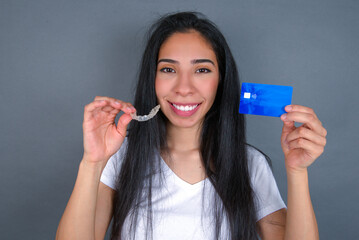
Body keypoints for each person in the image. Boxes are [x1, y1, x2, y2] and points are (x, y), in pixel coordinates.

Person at [56, 12, 327, 240]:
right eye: (168, 69)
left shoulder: (249, 164)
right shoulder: (122, 156)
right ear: (152, 79)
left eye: (202, 70)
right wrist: (92, 163)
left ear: (221, 81)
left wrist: (297, 171)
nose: (184, 88)